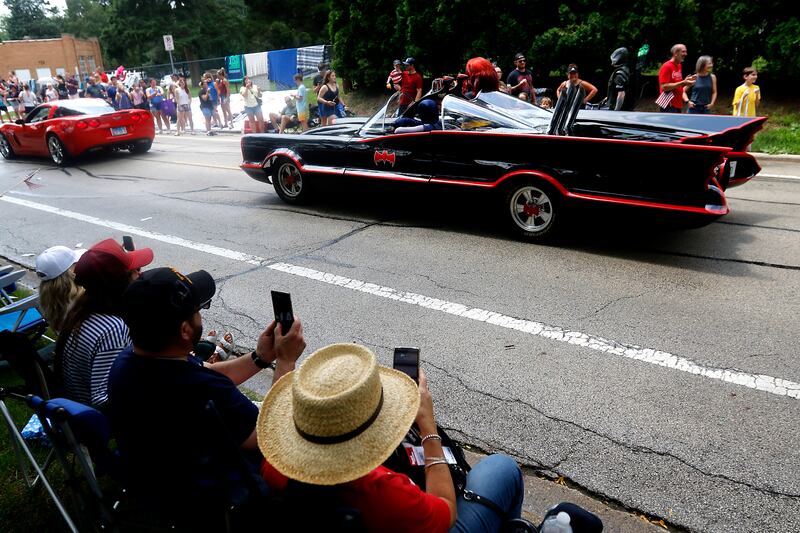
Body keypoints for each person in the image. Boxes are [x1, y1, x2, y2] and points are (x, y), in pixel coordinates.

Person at [257, 343, 524, 533]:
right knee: (502, 468)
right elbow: (446, 512)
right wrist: (428, 426)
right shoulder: (385, 492)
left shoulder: (276, 468)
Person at [108, 267, 306, 522]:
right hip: (215, 498)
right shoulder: (199, 389)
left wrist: (261, 357)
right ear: (185, 330)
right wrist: (286, 362)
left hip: (155, 482)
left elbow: (210, 371)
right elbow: (267, 435)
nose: (200, 315)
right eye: (197, 311)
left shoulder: (130, 361)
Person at [56, 238, 154, 409]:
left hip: (75, 404)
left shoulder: (82, 311)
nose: (140, 274)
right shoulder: (113, 329)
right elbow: (102, 399)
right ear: (120, 284)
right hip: (104, 424)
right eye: (134, 271)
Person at [35, 246, 85, 333]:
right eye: (75, 264)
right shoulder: (82, 301)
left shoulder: (49, 298)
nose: (79, 265)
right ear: (69, 273)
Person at [657, 43, 696, 113]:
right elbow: (664, 87)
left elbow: (677, 84)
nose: (686, 54)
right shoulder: (666, 66)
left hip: (678, 104)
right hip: (669, 104)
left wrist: (686, 80)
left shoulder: (679, 65)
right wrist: (683, 82)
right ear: (675, 53)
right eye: (683, 51)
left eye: (686, 51)